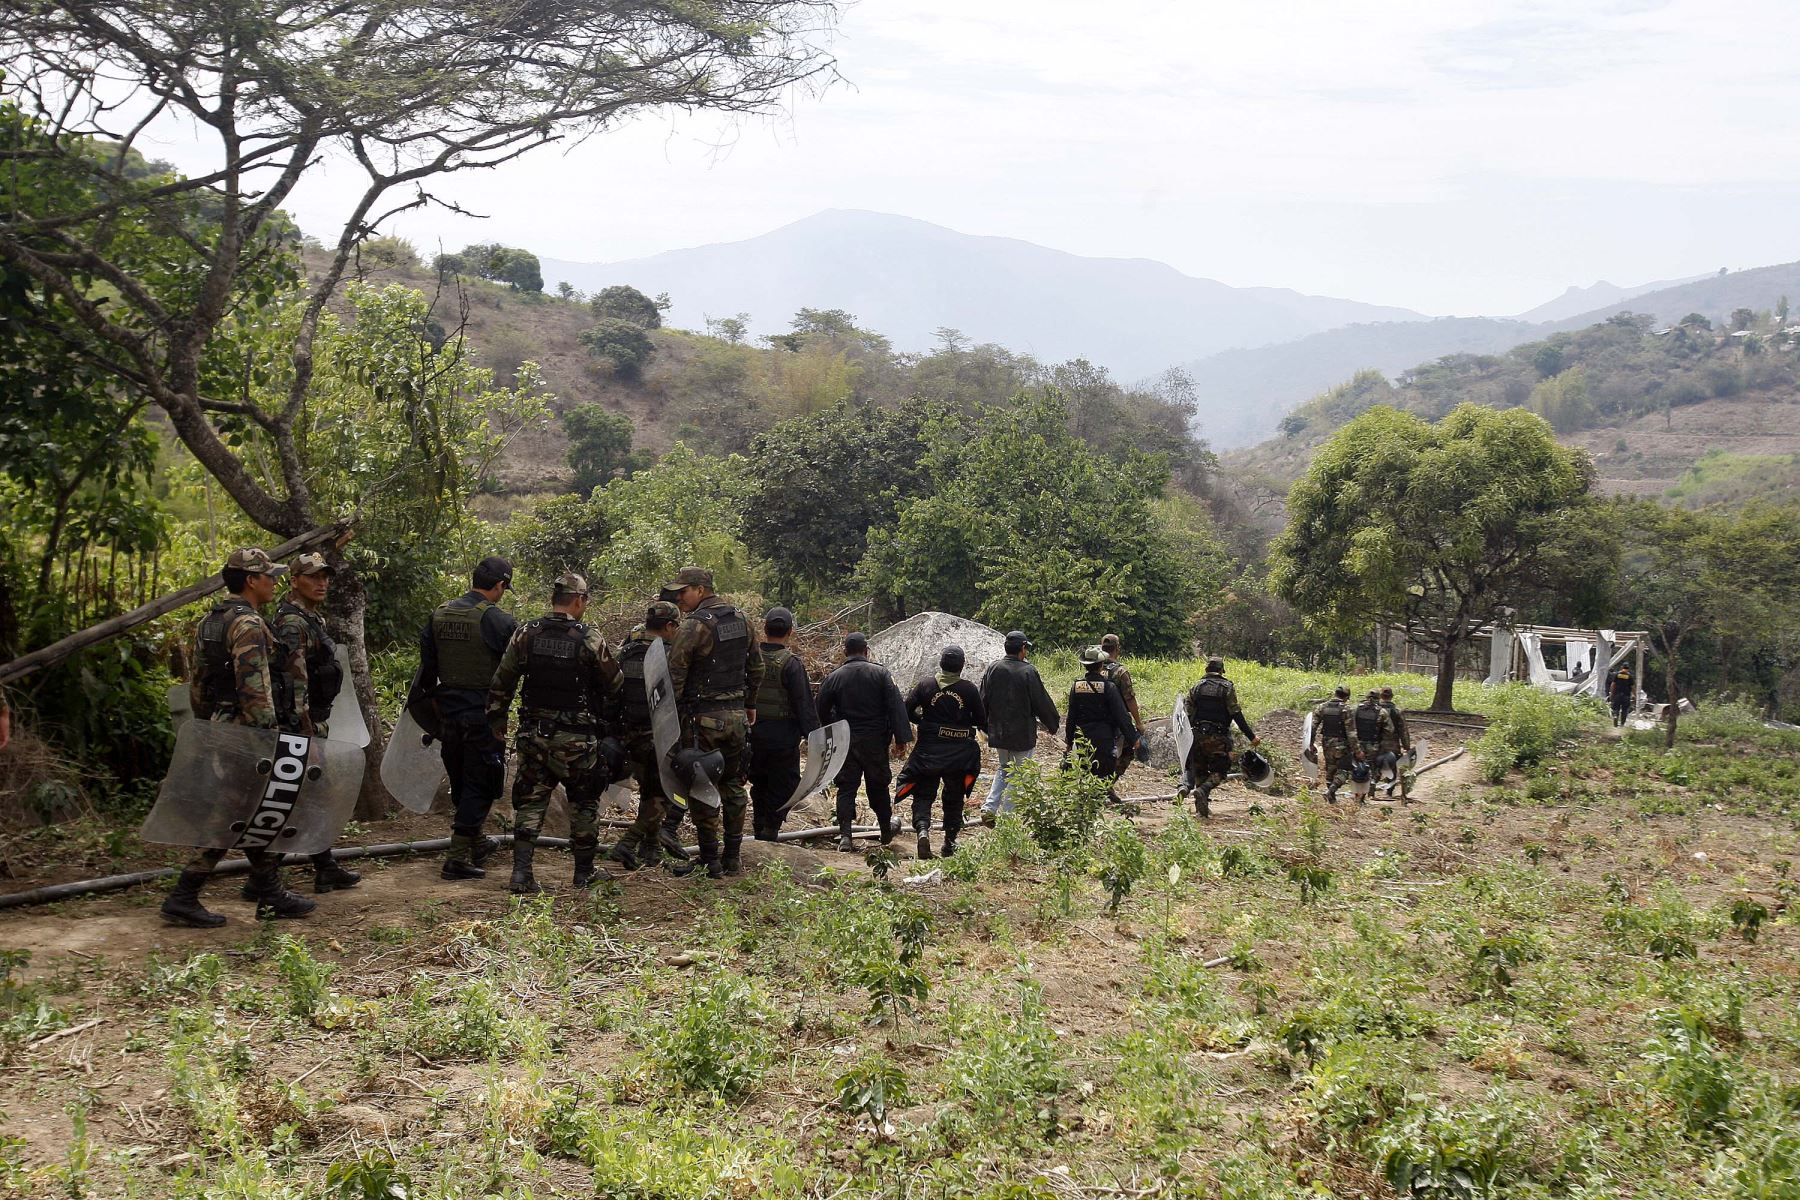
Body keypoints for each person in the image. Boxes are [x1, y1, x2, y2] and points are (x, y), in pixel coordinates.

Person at [161, 549, 316, 927]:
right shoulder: (247, 625)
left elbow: (197, 683)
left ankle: (268, 890)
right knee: (232, 812)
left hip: (221, 722)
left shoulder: (210, 622)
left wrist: (206, 725)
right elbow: (255, 688)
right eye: (268, 576)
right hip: (248, 729)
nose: (274, 581)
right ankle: (185, 893)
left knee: (251, 808)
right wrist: (268, 737)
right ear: (251, 580)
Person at [486, 573, 621, 893]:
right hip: (576, 740)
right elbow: (614, 683)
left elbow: (502, 682)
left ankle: (521, 874)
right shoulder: (589, 638)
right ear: (579, 600)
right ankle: (583, 872)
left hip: (534, 735)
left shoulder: (526, 633)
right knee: (585, 802)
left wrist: (497, 721)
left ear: (553, 599)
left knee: (531, 803)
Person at [413, 556, 518, 881]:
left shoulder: (439, 614)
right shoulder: (500, 621)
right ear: (500, 585)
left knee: (461, 778)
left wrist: (436, 708)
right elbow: (510, 674)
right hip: (481, 716)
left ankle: (477, 841)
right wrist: (501, 717)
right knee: (482, 782)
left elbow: (427, 671)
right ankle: (457, 857)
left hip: (447, 713)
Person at [265, 553, 360, 893]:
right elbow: (295, 687)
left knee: (311, 796)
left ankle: (324, 865)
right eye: (313, 576)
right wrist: (305, 738)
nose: (322, 583)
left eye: (325, 576)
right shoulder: (292, 623)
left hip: (312, 723)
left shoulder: (309, 618)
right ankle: (264, 878)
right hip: (300, 727)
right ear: (294, 580)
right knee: (291, 798)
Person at [665, 566, 763, 878]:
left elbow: (674, 673)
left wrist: (675, 716)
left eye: (684, 591)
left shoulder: (695, 625)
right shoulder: (743, 619)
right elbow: (756, 667)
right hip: (736, 718)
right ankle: (732, 857)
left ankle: (710, 859)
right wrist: (749, 705)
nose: (679, 597)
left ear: (701, 589)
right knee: (733, 786)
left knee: (701, 785)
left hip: (702, 719)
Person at [609, 600, 696, 874]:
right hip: (658, 734)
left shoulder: (626, 650)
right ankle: (628, 841)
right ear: (670, 625)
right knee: (661, 795)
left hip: (628, 732)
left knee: (649, 791)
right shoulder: (670, 654)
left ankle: (650, 848)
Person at [817, 632, 910, 853]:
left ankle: (846, 836)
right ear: (866, 651)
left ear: (845, 652)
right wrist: (901, 738)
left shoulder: (834, 677)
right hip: (875, 741)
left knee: (846, 787)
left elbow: (820, 707)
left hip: (845, 740)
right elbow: (896, 706)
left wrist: (831, 729)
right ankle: (886, 829)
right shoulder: (881, 674)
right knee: (878, 786)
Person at [896, 644, 986, 860]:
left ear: (941, 664)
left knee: (924, 792)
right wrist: (964, 724)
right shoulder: (969, 689)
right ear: (962, 666)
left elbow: (906, 709)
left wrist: (925, 723)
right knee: (954, 797)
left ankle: (923, 831)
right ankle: (949, 843)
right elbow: (982, 720)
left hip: (928, 751)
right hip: (959, 754)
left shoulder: (925, 685)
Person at [747, 607, 820, 841]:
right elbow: (803, 704)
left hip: (752, 732)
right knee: (783, 782)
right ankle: (770, 826)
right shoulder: (791, 664)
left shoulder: (750, 658)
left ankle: (760, 824)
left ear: (764, 628)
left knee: (758, 781)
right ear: (790, 631)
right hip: (782, 737)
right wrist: (814, 736)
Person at [978, 630, 1059, 821]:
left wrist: (982, 725)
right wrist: (1052, 724)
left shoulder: (993, 668)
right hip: (1022, 733)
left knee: (1004, 768)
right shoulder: (1028, 671)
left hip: (998, 731)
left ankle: (989, 808)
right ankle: (1007, 816)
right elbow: (1041, 701)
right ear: (1023, 649)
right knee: (1018, 773)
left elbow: (983, 698)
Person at [1182, 657, 1258, 818]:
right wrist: (1251, 736)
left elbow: (1186, 714)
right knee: (1221, 771)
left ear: (1206, 670)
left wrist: (1186, 739)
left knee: (1200, 770)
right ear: (1221, 670)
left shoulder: (1196, 687)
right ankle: (1203, 791)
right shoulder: (1227, 688)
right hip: (1217, 737)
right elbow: (1236, 714)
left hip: (1197, 736)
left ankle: (1201, 810)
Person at [1066, 646, 1136, 781]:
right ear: (1101, 665)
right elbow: (1121, 716)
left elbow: (1071, 717)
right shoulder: (1109, 687)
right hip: (1104, 738)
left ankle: (1088, 799)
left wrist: (1069, 741)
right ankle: (1099, 799)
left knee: (1086, 771)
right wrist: (1132, 738)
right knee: (1104, 773)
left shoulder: (1076, 687)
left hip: (1082, 737)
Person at [1098, 633, 1143, 784]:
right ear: (1117, 648)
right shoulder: (1120, 672)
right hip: (1117, 721)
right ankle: (1107, 784)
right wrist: (1138, 723)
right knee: (1127, 752)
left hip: (1094, 719)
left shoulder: (1094, 667)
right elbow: (1129, 699)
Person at [1309, 686, 1354, 803]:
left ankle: (1331, 799)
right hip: (1342, 744)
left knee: (1330, 769)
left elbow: (1312, 727)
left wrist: (1311, 743)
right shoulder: (1346, 709)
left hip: (1326, 743)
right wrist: (1357, 749)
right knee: (1344, 770)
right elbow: (1351, 732)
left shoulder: (1322, 707)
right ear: (1346, 697)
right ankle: (1330, 792)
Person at [1352, 689, 1396, 797]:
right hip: (1374, 744)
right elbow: (1390, 730)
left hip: (1358, 744)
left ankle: (1359, 794)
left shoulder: (1356, 709)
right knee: (1373, 767)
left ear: (1366, 697)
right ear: (1378, 698)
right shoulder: (1381, 712)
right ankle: (1371, 785)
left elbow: (1350, 727)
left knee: (1358, 767)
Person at [1377, 686, 1414, 800]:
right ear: (1391, 696)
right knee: (1392, 766)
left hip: (1377, 743)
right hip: (1393, 743)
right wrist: (1407, 746)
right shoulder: (1397, 711)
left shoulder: (1375, 709)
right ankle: (1389, 790)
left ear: (1381, 696)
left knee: (1376, 765)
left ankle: (1370, 790)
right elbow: (1403, 730)